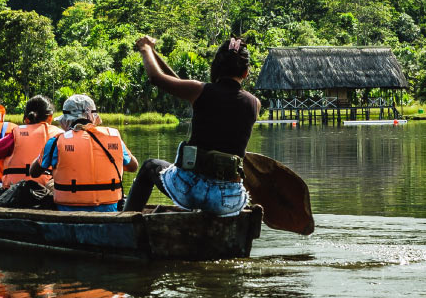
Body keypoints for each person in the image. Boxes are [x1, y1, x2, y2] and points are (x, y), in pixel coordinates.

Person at [122, 36, 256, 216]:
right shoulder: (254, 103)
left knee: (149, 166)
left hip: (191, 189)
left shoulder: (199, 90)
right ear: (246, 73)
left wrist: (145, 48)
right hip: (228, 198)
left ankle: (126, 223)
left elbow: (156, 78)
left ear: (215, 67)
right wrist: (153, 53)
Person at [27, 94, 139, 212]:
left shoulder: (55, 141)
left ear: (66, 120)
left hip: (66, 210)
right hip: (109, 210)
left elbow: (33, 173)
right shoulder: (114, 137)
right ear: (93, 117)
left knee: (45, 186)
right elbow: (133, 166)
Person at [0, 95, 58, 188]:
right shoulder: (59, 135)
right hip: (46, 191)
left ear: (27, 119)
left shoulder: (16, 134)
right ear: (50, 117)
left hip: (16, 191)